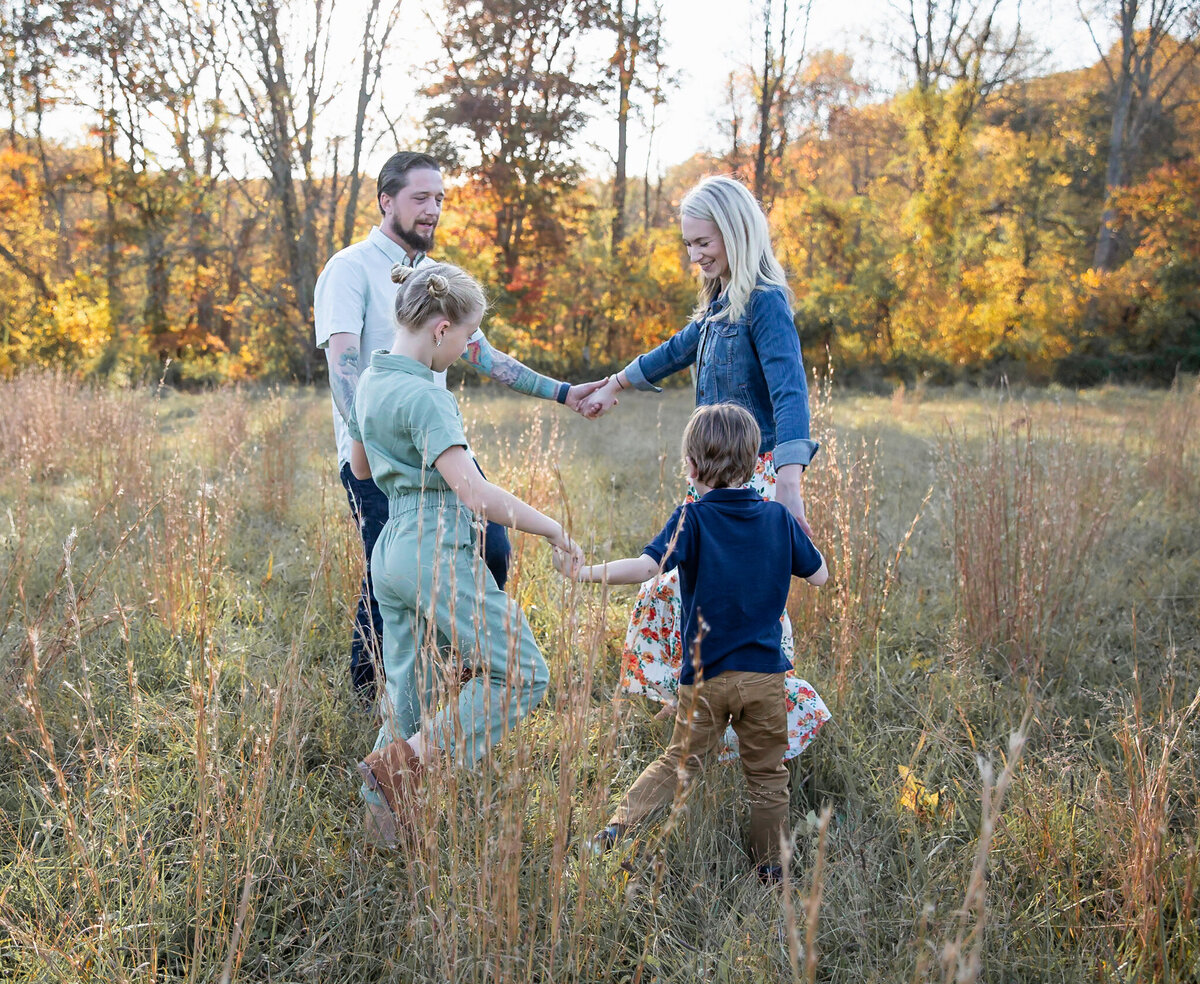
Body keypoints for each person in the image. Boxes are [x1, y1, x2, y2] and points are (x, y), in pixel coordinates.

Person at [315, 151, 604, 701]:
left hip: (438, 443)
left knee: (491, 547)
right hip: (380, 454)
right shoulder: (349, 269)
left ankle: (469, 664)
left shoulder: (433, 278)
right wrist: (370, 451)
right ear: (386, 200)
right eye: (420, 198)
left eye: (440, 199)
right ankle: (370, 690)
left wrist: (565, 393)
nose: (433, 210)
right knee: (390, 565)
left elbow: (486, 356)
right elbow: (344, 364)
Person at [582, 175, 826, 762]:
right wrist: (616, 383)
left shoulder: (765, 303)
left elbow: (791, 393)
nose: (695, 256)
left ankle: (777, 715)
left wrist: (790, 481)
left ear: (736, 232)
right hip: (714, 478)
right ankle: (691, 695)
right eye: (688, 245)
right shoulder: (719, 306)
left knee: (737, 604)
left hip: (759, 478)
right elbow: (672, 350)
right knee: (672, 588)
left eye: (703, 242)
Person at [348, 260, 584, 846]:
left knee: (409, 695)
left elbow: (357, 468)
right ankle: (403, 767)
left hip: (390, 549)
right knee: (523, 673)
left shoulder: (370, 382)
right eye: (465, 338)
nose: (463, 351)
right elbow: (474, 492)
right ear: (440, 328)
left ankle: (382, 827)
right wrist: (552, 527)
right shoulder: (427, 398)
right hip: (435, 545)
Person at [561, 403, 828, 882]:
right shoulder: (778, 520)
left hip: (704, 677)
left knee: (680, 761)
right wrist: (794, 533)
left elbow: (647, 569)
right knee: (767, 777)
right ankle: (771, 870)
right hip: (766, 678)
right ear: (754, 464)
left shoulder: (693, 518)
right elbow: (821, 576)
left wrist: (585, 574)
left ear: (691, 466)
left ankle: (615, 830)